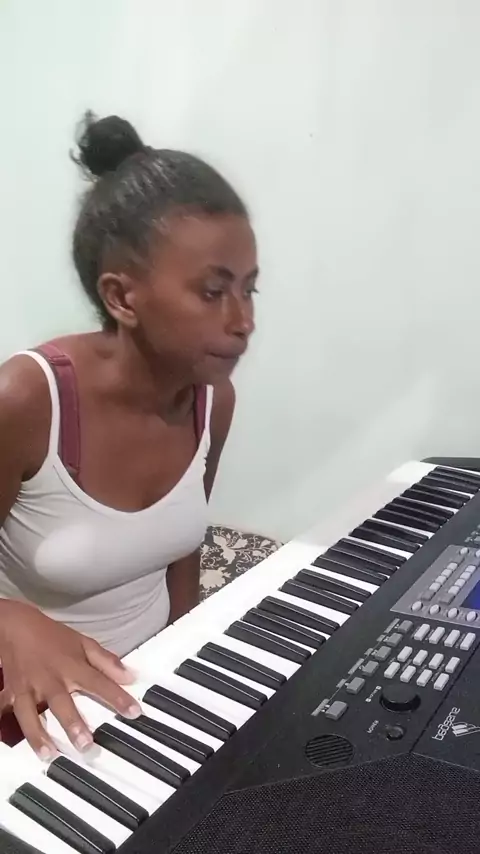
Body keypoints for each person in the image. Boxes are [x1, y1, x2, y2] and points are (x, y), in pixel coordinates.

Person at [0, 112, 257, 758]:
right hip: (32, 703)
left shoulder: (213, 402)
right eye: (213, 291)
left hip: (144, 686)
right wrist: (13, 617)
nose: (243, 320)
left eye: (250, 290)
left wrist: (186, 661)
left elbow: (181, 556)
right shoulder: (27, 401)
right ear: (121, 297)